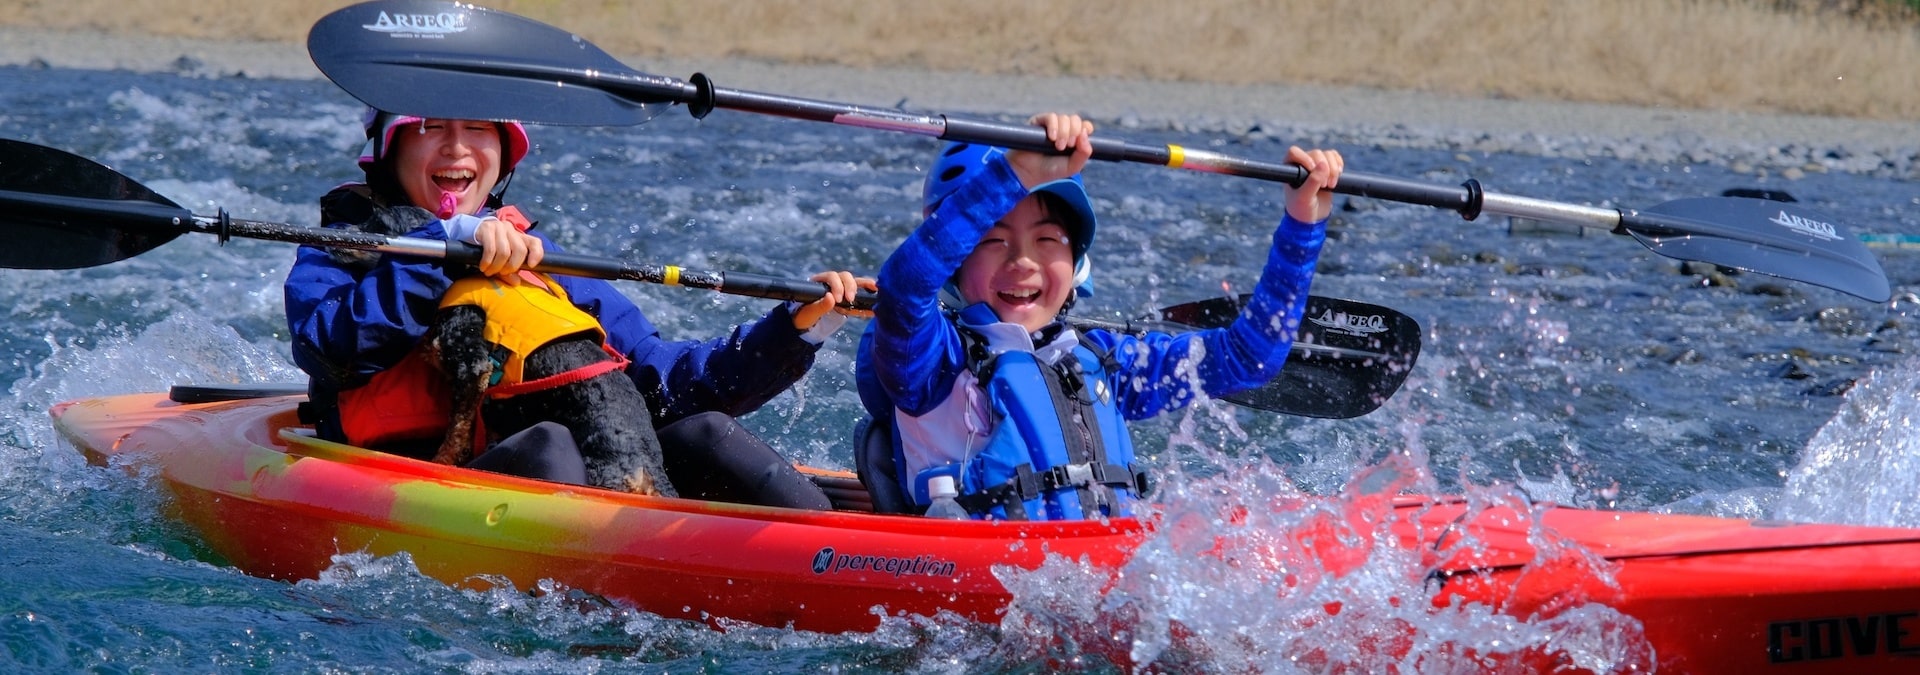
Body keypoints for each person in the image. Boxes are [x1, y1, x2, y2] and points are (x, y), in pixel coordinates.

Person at [286, 110, 866, 509]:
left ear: (503, 152)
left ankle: (840, 559)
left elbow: (661, 383)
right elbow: (331, 349)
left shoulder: (540, 262)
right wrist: (442, 248)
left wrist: (796, 329)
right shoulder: (347, 248)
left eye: (478, 130)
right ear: (391, 150)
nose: (457, 147)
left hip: (553, 483)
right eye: (431, 128)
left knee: (709, 433)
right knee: (552, 447)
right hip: (416, 478)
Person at [855, 113, 1343, 520]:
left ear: (1077, 263)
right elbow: (904, 288)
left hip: (1092, 576)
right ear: (955, 260)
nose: (1023, 262)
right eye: (991, 240)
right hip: (979, 580)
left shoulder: (1109, 363)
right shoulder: (930, 361)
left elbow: (1251, 358)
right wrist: (1018, 173)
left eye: (1047, 240)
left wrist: (1304, 225)